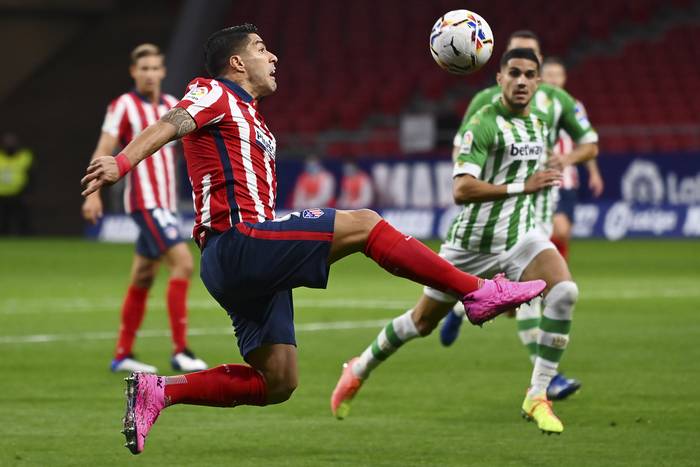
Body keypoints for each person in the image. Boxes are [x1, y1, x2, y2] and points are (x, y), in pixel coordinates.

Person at [81, 24, 545, 455]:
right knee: (364, 223)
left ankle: (158, 391)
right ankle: (478, 292)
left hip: (242, 261)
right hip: (239, 241)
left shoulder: (253, 119)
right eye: (262, 49)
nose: (274, 57)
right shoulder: (213, 92)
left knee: (277, 381)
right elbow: (172, 122)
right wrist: (121, 164)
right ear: (238, 63)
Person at [332, 48, 582, 435]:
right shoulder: (483, 123)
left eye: (529, 75)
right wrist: (523, 185)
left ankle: (537, 394)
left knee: (564, 292)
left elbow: (536, 163)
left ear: (537, 82)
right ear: (499, 78)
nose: (521, 81)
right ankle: (359, 367)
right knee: (421, 323)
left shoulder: (538, 124)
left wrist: (546, 170)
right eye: (513, 73)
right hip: (471, 245)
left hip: (521, 236)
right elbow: (462, 190)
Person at [439, 30, 600, 402]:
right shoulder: (485, 103)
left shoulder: (558, 103)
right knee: (534, 294)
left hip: (542, 202)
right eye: (513, 63)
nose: (522, 74)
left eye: (531, 66)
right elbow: (462, 152)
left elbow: (590, 144)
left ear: (540, 66)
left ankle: (467, 310)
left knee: (534, 295)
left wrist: (569, 159)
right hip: (505, 210)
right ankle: (547, 379)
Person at [81, 43, 207, 375]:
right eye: (144, 69)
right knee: (182, 263)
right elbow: (106, 147)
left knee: (143, 275)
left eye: (155, 68)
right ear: (134, 73)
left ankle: (122, 354)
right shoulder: (123, 106)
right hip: (144, 202)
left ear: (163, 72)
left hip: (166, 204)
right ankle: (181, 351)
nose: (150, 74)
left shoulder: (170, 106)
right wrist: (92, 194)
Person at [541, 56, 604, 260]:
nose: (554, 79)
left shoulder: (575, 106)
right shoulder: (531, 104)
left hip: (566, 179)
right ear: (541, 77)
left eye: (558, 75)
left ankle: (556, 276)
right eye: (549, 75)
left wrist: (594, 173)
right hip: (537, 178)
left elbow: (585, 143)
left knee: (562, 232)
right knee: (543, 232)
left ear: (564, 78)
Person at [0, 132, 33, 235]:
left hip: (19, 194)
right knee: (3, 222)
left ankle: (26, 243)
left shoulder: (25, 156)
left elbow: (32, 176)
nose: (9, 145)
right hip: (1, 195)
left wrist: (29, 193)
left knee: (23, 221)